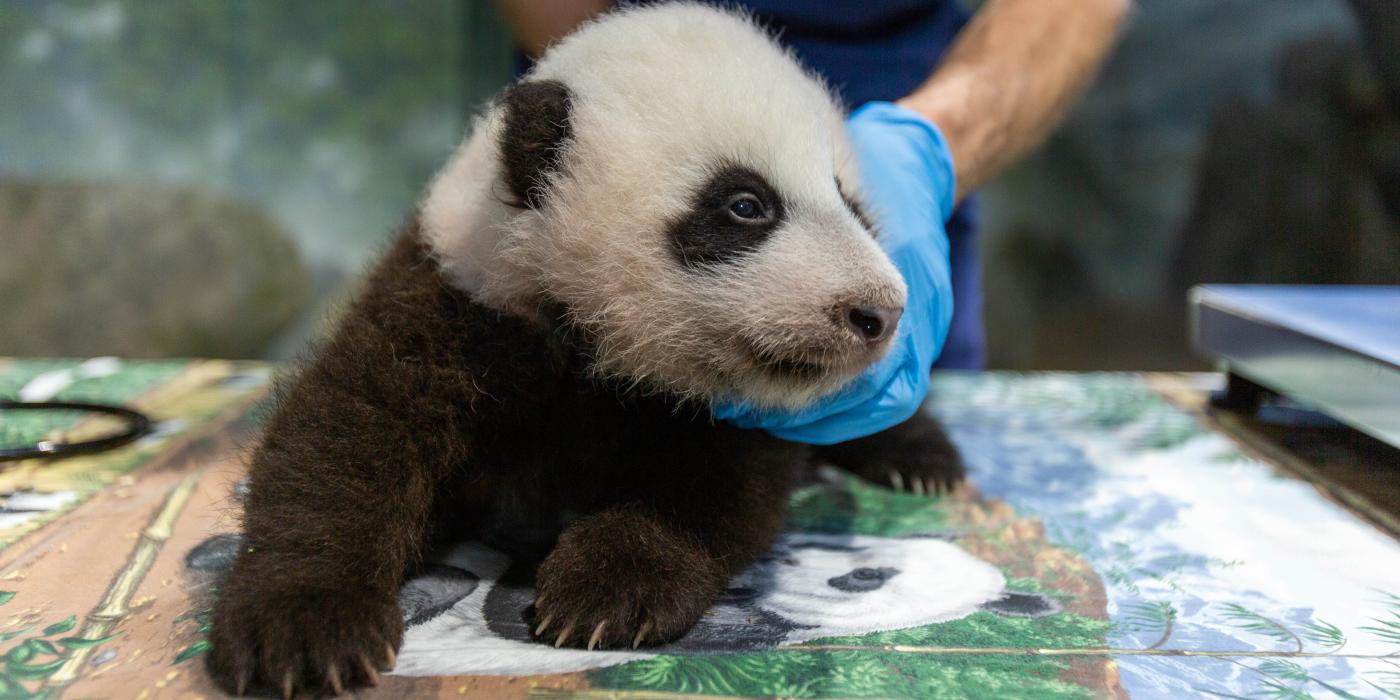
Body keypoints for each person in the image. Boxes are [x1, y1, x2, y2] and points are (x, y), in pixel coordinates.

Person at [495, 0, 1129, 444]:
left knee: (883, 432)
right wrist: (635, 116)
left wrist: (935, 146)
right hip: (625, 112)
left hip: (914, 107)